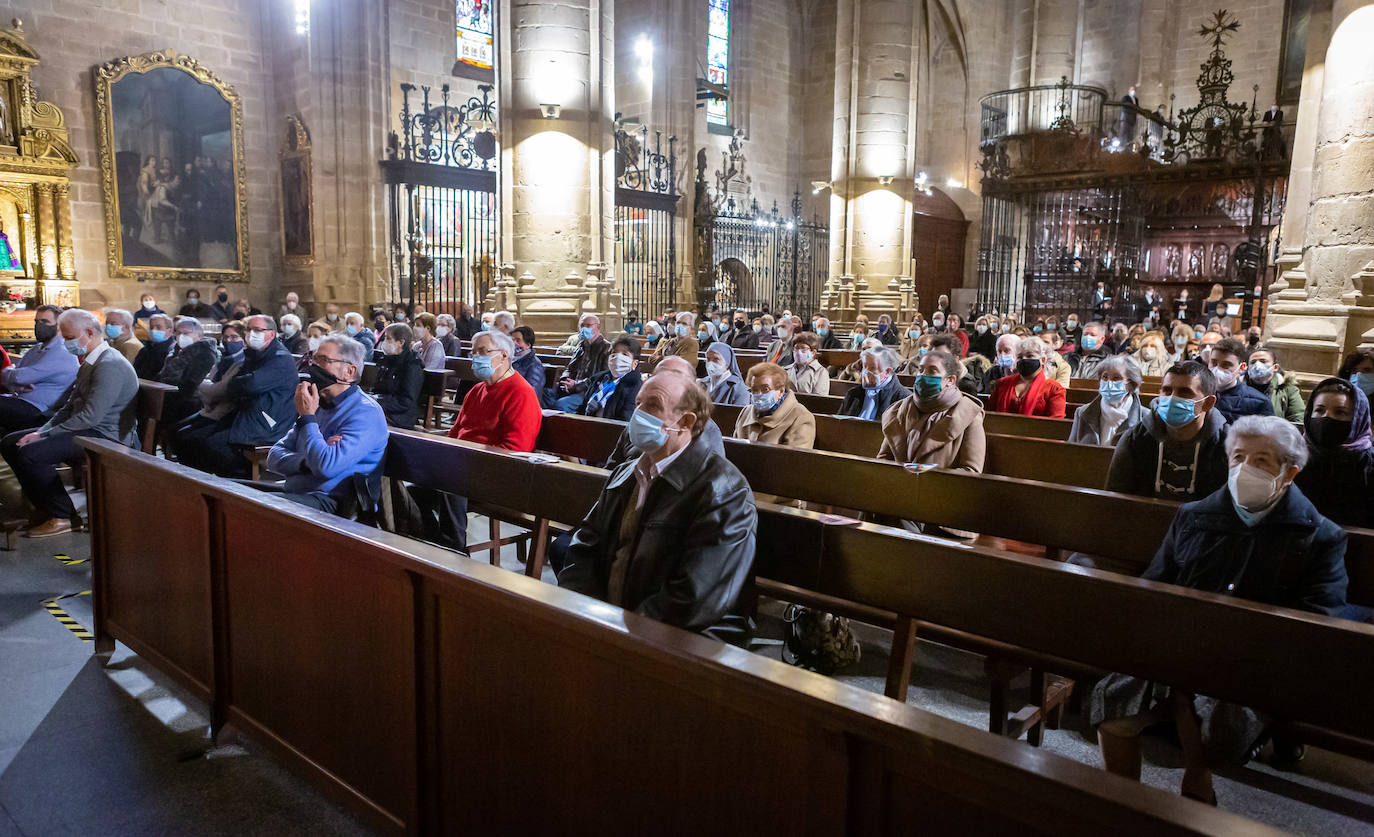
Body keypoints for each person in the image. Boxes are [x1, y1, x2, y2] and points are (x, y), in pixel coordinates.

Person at [1094, 415, 1347, 804]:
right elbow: (1155, 584)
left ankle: (1198, 785)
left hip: (1257, 661)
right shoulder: (1195, 516)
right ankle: (1124, 805)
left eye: (1262, 461)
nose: (1245, 468)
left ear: (1289, 472)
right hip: (1180, 645)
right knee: (1113, 699)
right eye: (1238, 456)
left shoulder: (1319, 535)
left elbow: (1320, 618)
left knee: (1205, 710)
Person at [556, 371, 757, 642]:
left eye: (652, 406)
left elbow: (694, 596)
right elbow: (584, 547)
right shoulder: (625, 473)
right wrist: (590, 615)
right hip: (613, 624)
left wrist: (624, 634)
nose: (638, 414)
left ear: (685, 421)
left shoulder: (723, 489)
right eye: (638, 403)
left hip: (684, 639)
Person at [2, 308, 139, 537]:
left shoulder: (109, 364)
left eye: (68, 338)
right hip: (87, 429)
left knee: (31, 453)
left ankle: (62, 515)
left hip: (106, 436)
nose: (66, 344)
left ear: (88, 333)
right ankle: (45, 507)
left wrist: (43, 436)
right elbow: (69, 406)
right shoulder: (91, 361)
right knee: (9, 442)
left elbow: (90, 417)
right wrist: (43, 429)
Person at [414, 330, 542, 551]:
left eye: (482, 352)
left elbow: (515, 451)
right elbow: (455, 433)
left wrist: (465, 460)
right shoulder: (476, 390)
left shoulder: (521, 393)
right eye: (473, 353)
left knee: (449, 482)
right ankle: (431, 546)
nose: (476, 357)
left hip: (499, 473)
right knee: (412, 490)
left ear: (503, 355)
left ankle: (453, 552)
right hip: (465, 466)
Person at [263, 335, 388, 513]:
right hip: (299, 492)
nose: (314, 366)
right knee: (230, 492)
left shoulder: (365, 412)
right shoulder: (319, 403)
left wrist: (307, 418)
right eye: (315, 358)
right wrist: (307, 462)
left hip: (333, 502)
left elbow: (325, 467)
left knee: (250, 508)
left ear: (349, 372)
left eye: (323, 360)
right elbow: (274, 456)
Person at [173, 314, 299, 478]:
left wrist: (238, 384)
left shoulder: (280, 359)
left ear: (272, 334)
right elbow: (239, 384)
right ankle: (199, 483)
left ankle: (237, 482)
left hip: (268, 422)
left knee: (213, 446)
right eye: (249, 329)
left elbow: (250, 385)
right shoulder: (254, 355)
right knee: (188, 437)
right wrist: (239, 384)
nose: (251, 333)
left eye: (257, 330)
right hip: (246, 415)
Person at [1106, 361, 1228, 500]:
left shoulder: (1228, 445)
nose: (1172, 399)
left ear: (1208, 403)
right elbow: (1116, 497)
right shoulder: (1135, 438)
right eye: (1167, 390)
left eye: (1185, 392)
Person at [878, 348, 985, 471]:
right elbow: (884, 460)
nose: (923, 375)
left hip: (941, 488)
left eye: (932, 371)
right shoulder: (900, 410)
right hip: (898, 487)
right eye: (921, 370)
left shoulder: (968, 414)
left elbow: (971, 470)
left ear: (950, 380)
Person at [1295, 377, 1373, 528]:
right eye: (1319, 410)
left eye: (1340, 412)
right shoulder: (1294, 458)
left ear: (1357, 418)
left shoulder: (1368, 464)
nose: (1326, 417)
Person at [0, 305, 79, 437]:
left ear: (59, 326)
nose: (39, 326)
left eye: (45, 322)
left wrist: (16, 379)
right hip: (19, 400)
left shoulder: (62, 352)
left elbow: (18, 376)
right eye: (36, 322)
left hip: (38, 410)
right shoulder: (37, 349)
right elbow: (9, 374)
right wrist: (17, 382)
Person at [734, 362, 815, 448]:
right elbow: (733, 448)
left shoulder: (801, 417)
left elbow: (795, 458)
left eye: (765, 389)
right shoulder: (746, 412)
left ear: (781, 391)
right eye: (754, 390)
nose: (759, 394)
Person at [156, 317, 221, 425]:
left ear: (199, 335)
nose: (181, 336)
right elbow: (163, 375)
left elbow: (191, 385)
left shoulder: (205, 354)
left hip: (191, 403)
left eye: (186, 333)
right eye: (178, 333)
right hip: (168, 398)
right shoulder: (176, 352)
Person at [1069, 355, 1145, 447]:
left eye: (1116, 378)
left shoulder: (1145, 418)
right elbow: (1071, 450)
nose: (1109, 383)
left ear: (1131, 384)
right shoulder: (1082, 412)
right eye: (1105, 377)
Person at [988, 337, 1066, 418]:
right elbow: (990, 414)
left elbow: (1056, 423)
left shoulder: (1054, 389)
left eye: (1030, 355)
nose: (1024, 359)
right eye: (1020, 357)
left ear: (1042, 360)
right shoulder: (1002, 384)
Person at [550, 314, 610, 411]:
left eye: (588, 325)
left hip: (588, 391)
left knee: (560, 405)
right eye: (582, 325)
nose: (584, 328)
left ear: (598, 327)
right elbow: (569, 368)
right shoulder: (581, 345)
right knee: (545, 394)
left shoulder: (606, 348)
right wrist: (566, 380)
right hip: (571, 387)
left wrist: (577, 385)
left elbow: (602, 377)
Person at [576, 335, 643, 421]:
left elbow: (626, 418)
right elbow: (582, 407)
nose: (618, 357)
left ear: (635, 363)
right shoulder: (599, 378)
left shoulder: (635, 386)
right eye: (614, 353)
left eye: (625, 354)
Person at [371, 323, 425, 428]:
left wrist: (378, 400)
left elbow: (406, 401)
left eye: (388, 339)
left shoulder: (412, 366)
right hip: (383, 409)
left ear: (400, 342)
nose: (384, 342)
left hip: (400, 417)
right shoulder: (387, 360)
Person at [1207, 337, 1273, 422]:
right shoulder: (1199, 393)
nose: (1217, 369)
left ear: (1241, 368)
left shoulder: (1259, 402)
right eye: (1214, 362)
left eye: (1226, 364)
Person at [838, 346, 910, 420]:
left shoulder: (904, 399)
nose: (865, 372)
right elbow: (838, 424)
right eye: (864, 367)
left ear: (887, 371)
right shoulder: (853, 394)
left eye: (872, 368)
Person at [1244, 345, 1303, 424]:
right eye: (1253, 362)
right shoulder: (1239, 388)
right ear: (1247, 368)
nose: (1257, 365)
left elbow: (1298, 418)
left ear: (1275, 367)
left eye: (1263, 361)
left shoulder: (1287, 389)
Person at [700, 341, 749, 405]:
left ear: (727, 362)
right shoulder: (701, 383)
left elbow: (739, 413)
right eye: (708, 359)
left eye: (716, 359)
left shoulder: (739, 389)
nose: (710, 363)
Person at [509, 325, 545, 393]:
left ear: (528, 345)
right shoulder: (507, 359)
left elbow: (531, 391)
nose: (513, 343)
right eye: (512, 340)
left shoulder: (534, 365)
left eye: (518, 340)